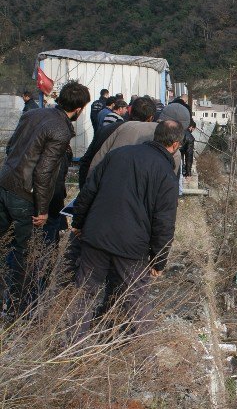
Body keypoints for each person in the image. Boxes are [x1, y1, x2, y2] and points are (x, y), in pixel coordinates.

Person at [70, 120, 182, 338]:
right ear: (176, 144)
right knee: (135, 300)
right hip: (132, 248)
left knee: (83, 295)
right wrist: (159, 261)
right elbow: (164, 223)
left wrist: (78, 223)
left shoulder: (118, 155)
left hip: (96, 235)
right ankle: (141, 357)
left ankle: (72, 346)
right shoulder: (167, 175)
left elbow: (88, 192)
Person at [0, 81, 89, 312]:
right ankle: (16, 310)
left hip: (5, 183)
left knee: (3, 245)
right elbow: (44, 172)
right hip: (24, 196)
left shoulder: (34, 113)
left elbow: (11, 147)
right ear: (79, 108)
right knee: (23, 254)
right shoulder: (61, 129)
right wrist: (42, 210)